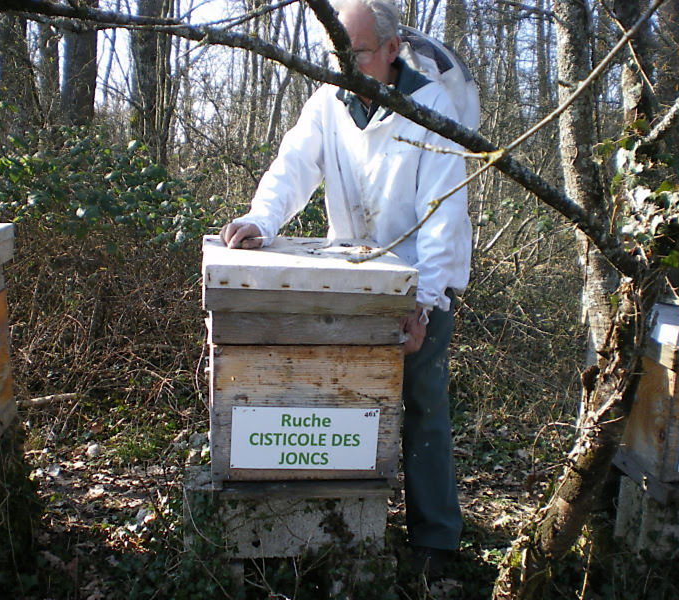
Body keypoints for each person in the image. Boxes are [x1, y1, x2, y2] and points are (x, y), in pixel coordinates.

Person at [219, 0, 472, 580]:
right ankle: (344, 527)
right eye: (338, 51)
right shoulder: (327, 103)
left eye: (356, 51)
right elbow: (293, 167)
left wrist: (424, 306)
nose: (345, 62)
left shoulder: (431, 109)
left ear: (389, 51)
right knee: (342, 409)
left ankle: (436, 543)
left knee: (423, 411)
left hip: (415, 288)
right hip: (349, 282)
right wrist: (263, 218)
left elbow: (442, 218)